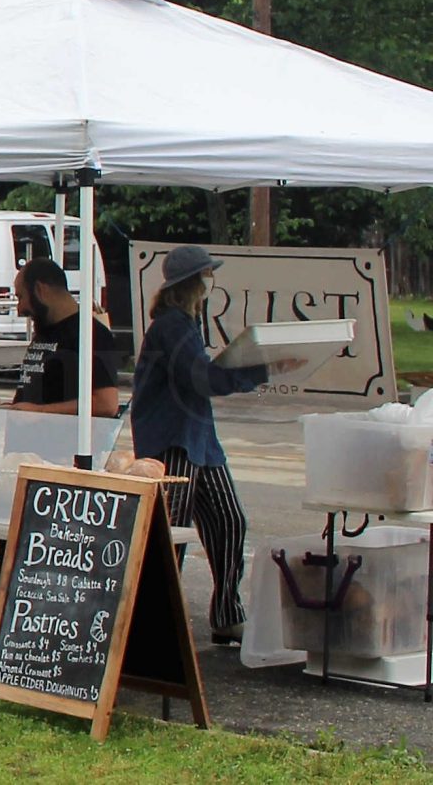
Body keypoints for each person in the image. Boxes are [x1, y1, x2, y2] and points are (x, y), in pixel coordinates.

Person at [130, 244, 274, 646]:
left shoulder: (182, 324)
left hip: (195, 436)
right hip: (171, 439)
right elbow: (203, 379)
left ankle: (226, 613)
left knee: (229, 520)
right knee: (168, 534)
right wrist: (258, 371)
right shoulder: (172, 327)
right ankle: (150, 620)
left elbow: (201, 379)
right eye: (207, 276)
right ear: (194, 284)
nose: (210, 283)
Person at [6, 257, 123, 418]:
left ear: (40, 289)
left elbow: (106, 404)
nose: (20, 309)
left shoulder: (91, 334)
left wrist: (39, 412)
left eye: (21, 297)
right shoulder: (45, 330)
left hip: (62, 440)